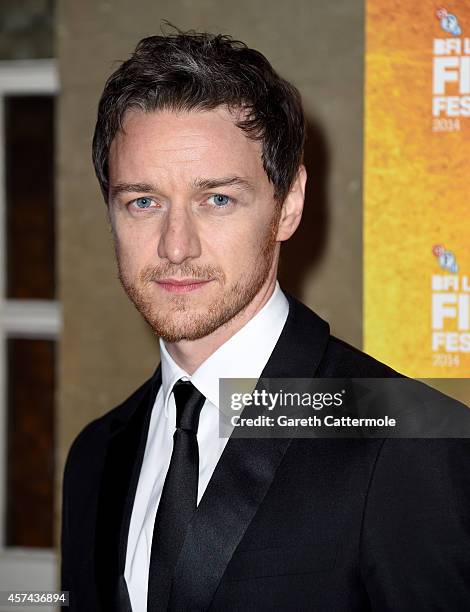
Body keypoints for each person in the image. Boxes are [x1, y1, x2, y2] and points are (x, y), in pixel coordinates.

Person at [61, 28, 470, 612]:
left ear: (290, 204)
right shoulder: (95, 455)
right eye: (143, 201)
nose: (176, 246)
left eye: (217, 199)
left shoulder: (409, 447)